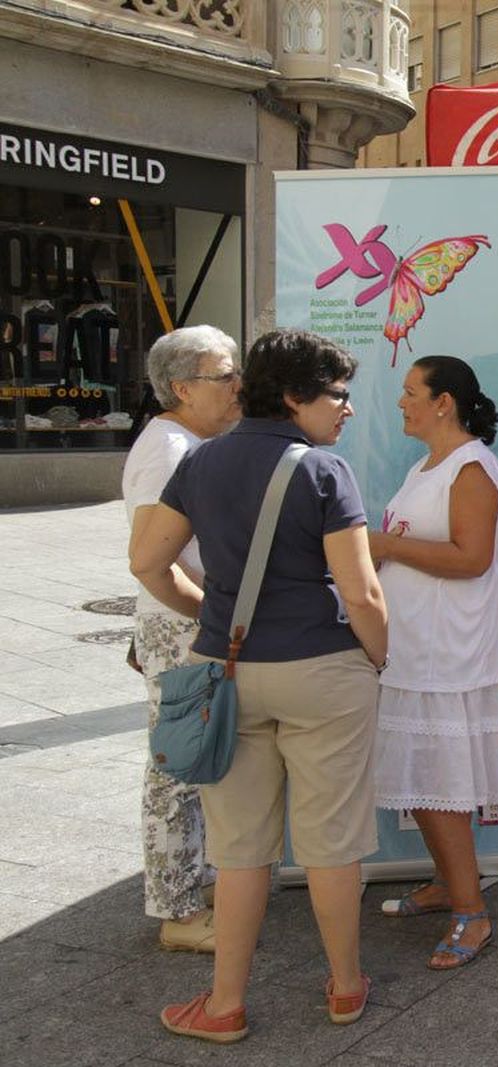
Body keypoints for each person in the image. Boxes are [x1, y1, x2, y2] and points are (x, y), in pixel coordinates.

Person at [131, 329, 388, 1044]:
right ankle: (343, 987)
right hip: (322, 669)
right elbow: (362, 592)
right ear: (296, 396)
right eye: (338, 394)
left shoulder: (201, 462)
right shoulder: (326, 472)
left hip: (229, 671)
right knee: (332, 843)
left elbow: (148, 562)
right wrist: (379, 656)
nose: (347, 409)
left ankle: (223, 1005)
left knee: (240, 850)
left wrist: (210, 612)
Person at [366, 356, 498, 970]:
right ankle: (451, 885)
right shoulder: (425, 465)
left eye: (409, 392)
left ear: (443, 402)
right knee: (424, 782)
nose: (401, 402)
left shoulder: (472, 467)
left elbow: (471, 557)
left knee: (440, 789)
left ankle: (471, 914)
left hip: (448, 656)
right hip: (415, 651)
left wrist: (384, 546)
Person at [122, 324, 242, 952]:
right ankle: (177, 910)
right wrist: (205, 616)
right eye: (224, 376)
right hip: (182, 628)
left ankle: (206, 881)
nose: (237, 387)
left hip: (185, 624)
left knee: (202, 762)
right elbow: (149, 559)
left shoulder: (185, 442)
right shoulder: (169, 449)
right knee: (176, 769)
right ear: (181, 388)